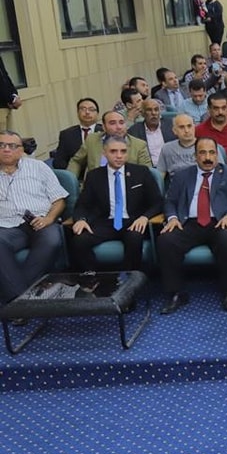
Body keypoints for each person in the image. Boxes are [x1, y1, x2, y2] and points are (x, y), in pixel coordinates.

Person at [156, 137, 227, 314]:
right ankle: (176, 293)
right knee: (166, 240)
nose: (208, 157)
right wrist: (172, 218)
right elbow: (170, 201)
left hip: (219, 221)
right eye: (203, 153)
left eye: (212, 153)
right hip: (188, 223)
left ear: (217, 155)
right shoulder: (182, 175)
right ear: (195, 156)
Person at [70, 135, 163, 272]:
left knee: (134, 238)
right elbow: (83, 205)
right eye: (113, 151)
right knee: (79, 240)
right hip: (105, 222)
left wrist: (144, 217)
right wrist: (81, 220)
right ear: (104, 153)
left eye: (123, 151)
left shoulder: (141, 172)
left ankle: (129, 278)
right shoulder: (94, 176)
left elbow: (157, 202)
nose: (119, 156)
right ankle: (93, 277)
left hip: (133, 221)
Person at [0, 130, 69, 304]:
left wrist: (48, 219)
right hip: (7, 227)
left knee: (52, 240)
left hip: (41, 221)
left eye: (12, 146)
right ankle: (22, 300)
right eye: (1, 145)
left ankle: (15, 297)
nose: (6, 149)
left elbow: (59, 200)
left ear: (21, 150)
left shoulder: (38, 167)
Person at [67, 111, 152, 182]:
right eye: (112, 123)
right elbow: (76, 161)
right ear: (104, 127)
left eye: (121, 123)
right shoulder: (92, 140)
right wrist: (71, 180)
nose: (118, 127)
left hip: (125, 187)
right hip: (94, 187)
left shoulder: (139, 145)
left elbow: (146, 172)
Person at [53, 98, 101, 170]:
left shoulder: (104, 131)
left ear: (97, 114)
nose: (87, 112)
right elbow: (59, 162)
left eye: (91, 109)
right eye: (83, 109)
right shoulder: (66, 134)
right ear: (78, 113)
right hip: (76, 174)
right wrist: (70, 174)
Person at [128, 99, 175, 165]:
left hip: (171, 166)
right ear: (143, 114)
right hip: (147, 168)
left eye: (156, 110)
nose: (153, 113)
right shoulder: (134, 131)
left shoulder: (171, 126)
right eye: (149, 110)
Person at [157, 114, 199, 180]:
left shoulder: (207, 145)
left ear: (194, 127)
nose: (187, 130)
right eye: (182, 127)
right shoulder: (167, 148)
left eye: (189, 126)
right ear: (174, 131)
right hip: (176, 184)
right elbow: (160, 176)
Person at [0, 56, 22, 131]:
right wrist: (11, 99)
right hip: (2, 106)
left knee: (10, 136)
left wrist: (15, 95)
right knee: (3, 136)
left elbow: (5, 76)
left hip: (7, 105)